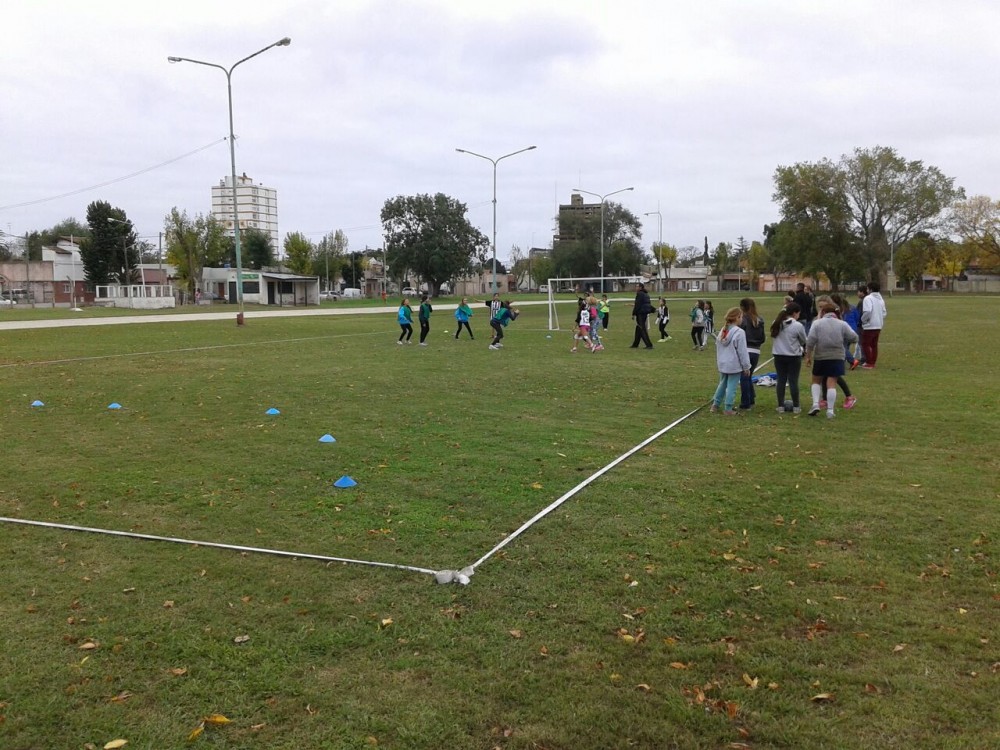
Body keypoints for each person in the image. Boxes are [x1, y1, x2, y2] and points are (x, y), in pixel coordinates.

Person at [805, 299, 859, 418]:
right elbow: (854, 337)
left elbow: (810, 341)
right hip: (837, 356)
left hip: (821, 356)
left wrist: (808, 355)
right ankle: (830, 410)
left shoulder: (817, 323)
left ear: (823, 312)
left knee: (816, 380)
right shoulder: (842, 324)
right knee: (831, 383)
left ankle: (815, 404)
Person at [710, 307, 751, 416]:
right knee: (732, 387)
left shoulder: (723, 330)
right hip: (734, 365)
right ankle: (728, 408)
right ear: (737, 318)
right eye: (741, 317)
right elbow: (742, 351)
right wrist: (746, 367)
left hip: (723, 363)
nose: (742, 319)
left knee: (722, 384)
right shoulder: (739, 332)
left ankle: (715, 405)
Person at [770, 302, 807, 413]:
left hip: (778, 355)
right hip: (793, 356)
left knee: (781, 380)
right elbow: (803, 340)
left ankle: (780, 406)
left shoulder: (776, 323)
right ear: (795, 313)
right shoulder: (797, 325)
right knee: (793, 381)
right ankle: (796, 406)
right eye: (798, 313)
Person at [738, 297, 766, 410]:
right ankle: (751, 398)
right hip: (756, 351)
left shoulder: (743, 319)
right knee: (749, 375)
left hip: (746, 350)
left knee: (744, 377)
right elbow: (763, 338)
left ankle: (745, 403)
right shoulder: (760, 319)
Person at [860, 280, 887, 369]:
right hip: (878, 325)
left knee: (865, 344)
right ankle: (872, 361)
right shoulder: (880, 299)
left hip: (869, 325)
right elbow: (884, 313)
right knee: (874, 344)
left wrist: (863, 320)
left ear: (870, 289)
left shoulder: (868, 298)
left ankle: (869, 362)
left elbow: (867, 311)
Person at [630, 283, 654, 349]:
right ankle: (635, 344)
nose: (636, 288)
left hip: (640, 313)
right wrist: (653, 310)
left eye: (637, 286)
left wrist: (633, 313)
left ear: (640, 287)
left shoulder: (639, 294)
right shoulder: (646, 294)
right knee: (639, 328)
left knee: (642, 328)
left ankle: (649, 345)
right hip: (644, 313)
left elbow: (637, 304)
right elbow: (647, 304)